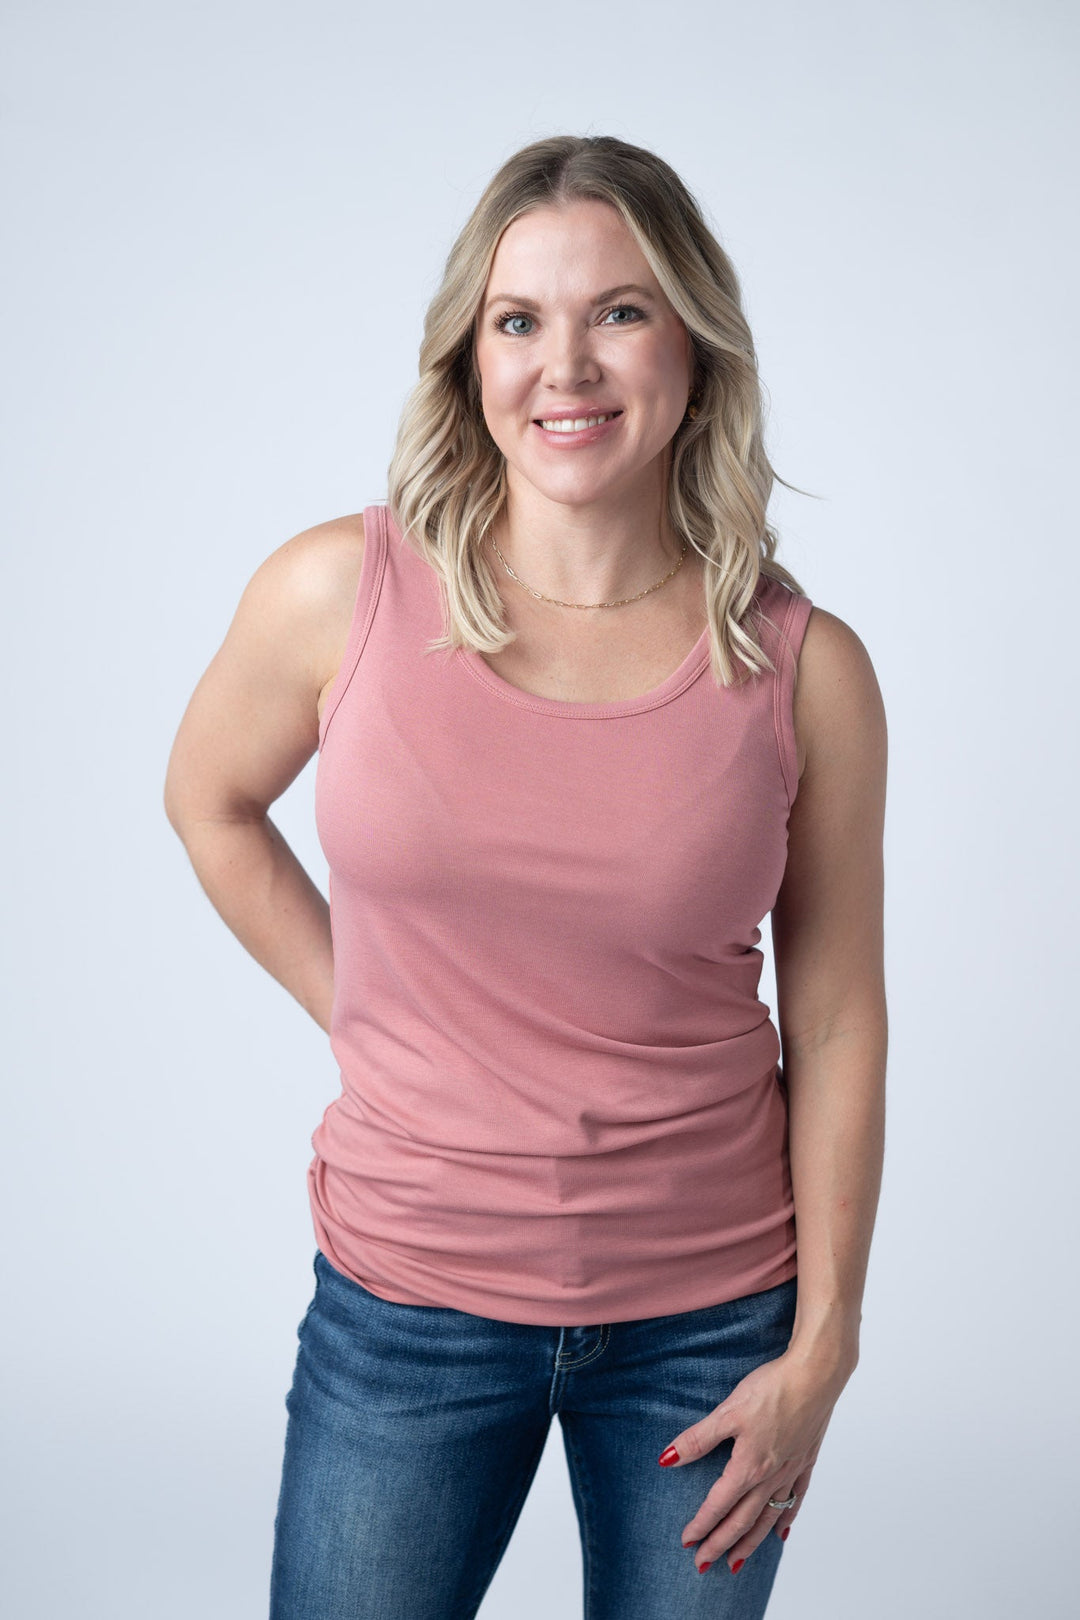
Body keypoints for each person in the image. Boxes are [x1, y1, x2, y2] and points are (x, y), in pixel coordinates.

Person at [164, 134, 887, 1620]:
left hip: (709, 1327)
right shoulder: (339, 593)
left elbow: (834, 1021)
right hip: (408, 1299)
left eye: (620, 311)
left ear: (694, 345)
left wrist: (825, 1348)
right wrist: (367, 1013)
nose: (567, 366)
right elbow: (208, 801)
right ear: (471, 357)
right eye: (519, 320)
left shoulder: (805, 671)